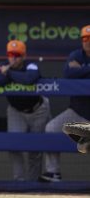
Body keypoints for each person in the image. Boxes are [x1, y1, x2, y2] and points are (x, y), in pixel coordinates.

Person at [0, 40, 51, 181]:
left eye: (17, 55)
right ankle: (19, 180)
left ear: (23, 56)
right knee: (14, 144)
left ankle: (33, 183)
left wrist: (9, 74)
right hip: (16, 110)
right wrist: (10, 74)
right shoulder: (2, 66)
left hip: (38, 110)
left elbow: (29, 78)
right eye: (11, 54)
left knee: (35, 148)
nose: (13, 58)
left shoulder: (31, 65)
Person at [39, 25, 90, 182]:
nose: (87, 41)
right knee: (51, 128)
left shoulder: (79, 60)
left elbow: (76, 72)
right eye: (84, 38)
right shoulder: (76, 55)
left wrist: (82, 69)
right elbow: (68, 73)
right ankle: (53, 172)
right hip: (77, 111)